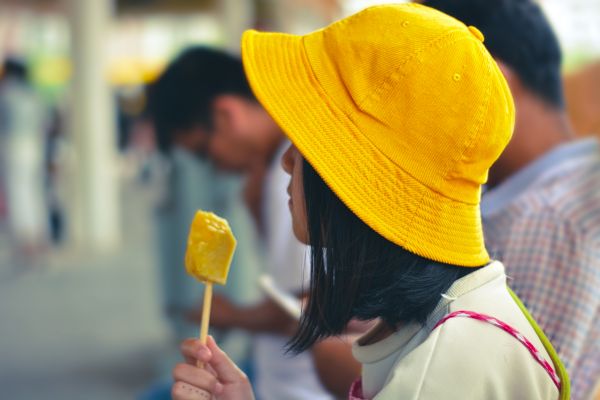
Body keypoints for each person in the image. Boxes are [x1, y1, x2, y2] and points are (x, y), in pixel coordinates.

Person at [169, 4, 570, 399]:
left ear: (361, 173)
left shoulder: (439, 374)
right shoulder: (445, 324)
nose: (289, 160)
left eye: (309, 138)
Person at [420, 1, 600, 398]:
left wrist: (344, 356)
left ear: (489, 83)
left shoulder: (547, 218)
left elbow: (499, 386)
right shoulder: (528, 199)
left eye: (425, 90)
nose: (416, 118)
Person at [149, 47, 332, 400]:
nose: (215, 167)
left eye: (204, 151)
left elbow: (309, 308)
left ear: (225, 114)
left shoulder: (289, 176)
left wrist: (230, 314)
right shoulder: (271, 175)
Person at [0, 58, 50, 264]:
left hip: (13, 146)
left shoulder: (7, 94)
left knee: (18, 193)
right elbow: (45, 122)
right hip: (34, 147)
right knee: (34, 191)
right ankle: (38, 236)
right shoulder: (34, 94)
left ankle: (26, 240)